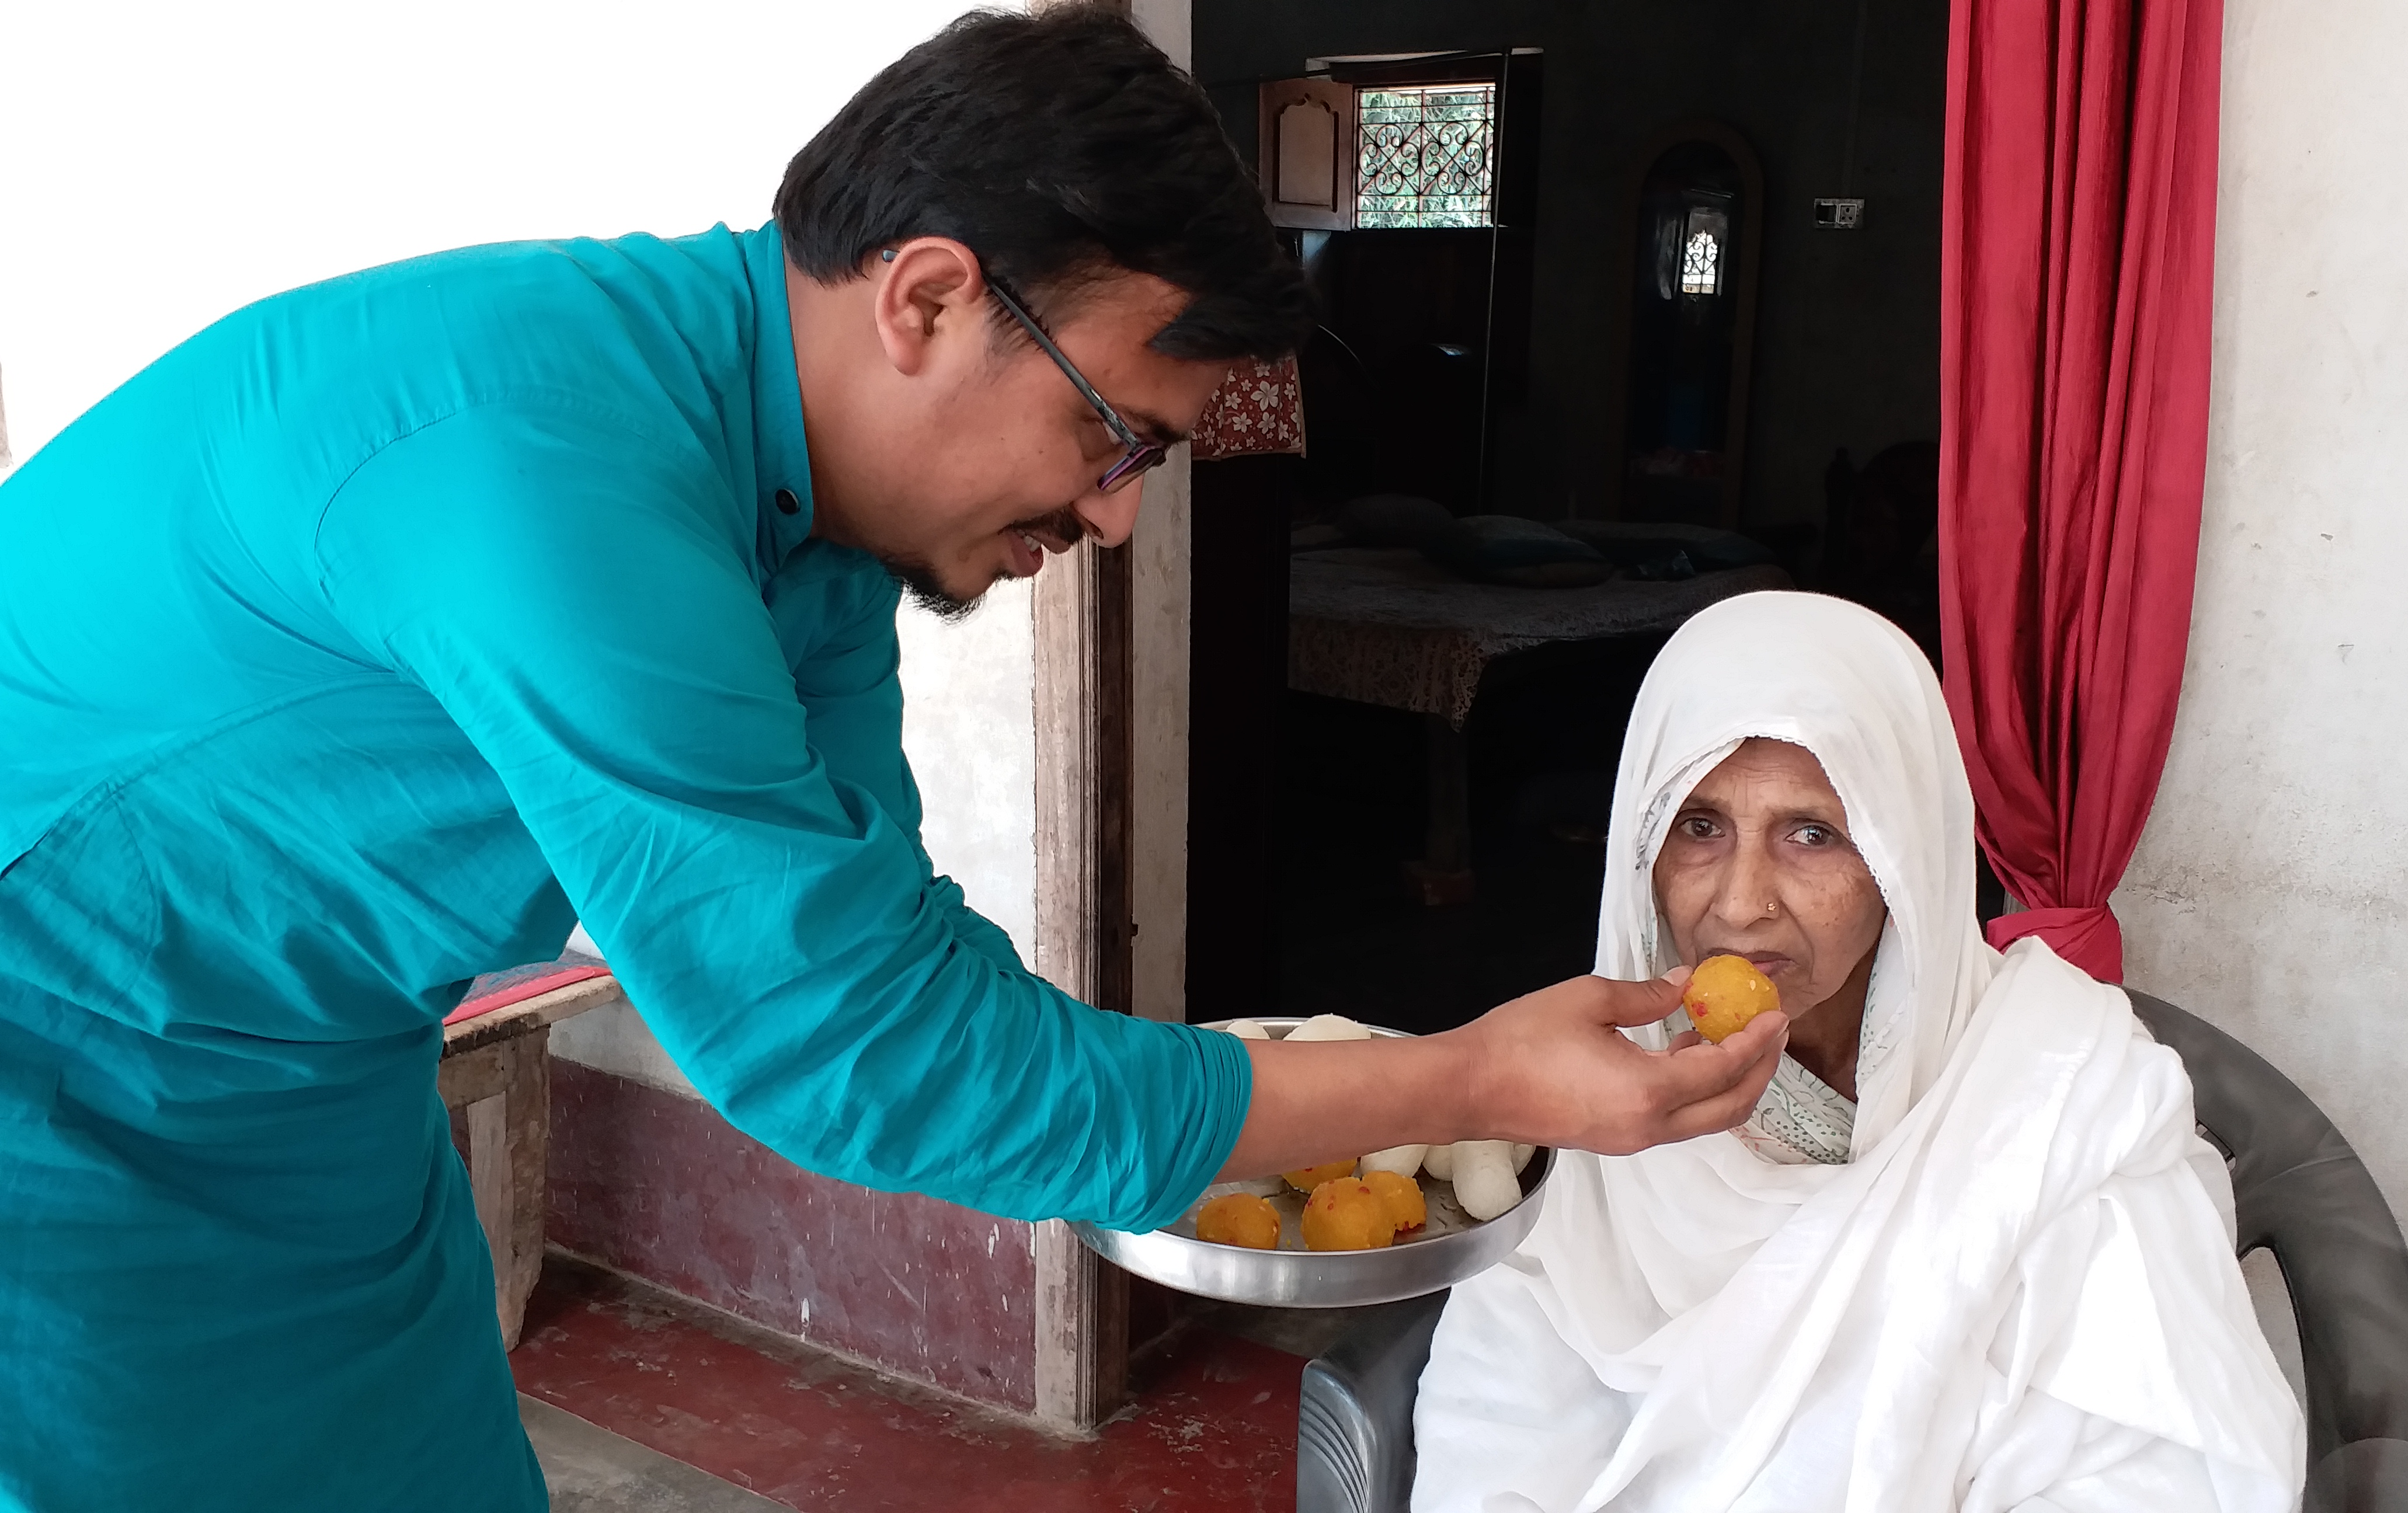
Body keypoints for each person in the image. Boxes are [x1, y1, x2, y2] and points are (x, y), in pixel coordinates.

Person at [0, 12, 1788, 1511]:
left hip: (310, 1077)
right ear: (927, 300)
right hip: (62, 1105)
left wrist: (1330, 1087)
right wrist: (1461, 1081)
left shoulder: (803, 529)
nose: (1110, 519)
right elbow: (852, 1053)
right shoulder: (548, 473)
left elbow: (886, 956)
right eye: (1112, 440)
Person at [1412, 592, 2301, 1511]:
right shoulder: (1591, 1104)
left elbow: (2147, 1472)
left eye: (1812, 835)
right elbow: (1494, 1437)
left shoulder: (2062, 1106)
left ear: (1903, 860)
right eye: (1700, 826)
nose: (1740, 902)